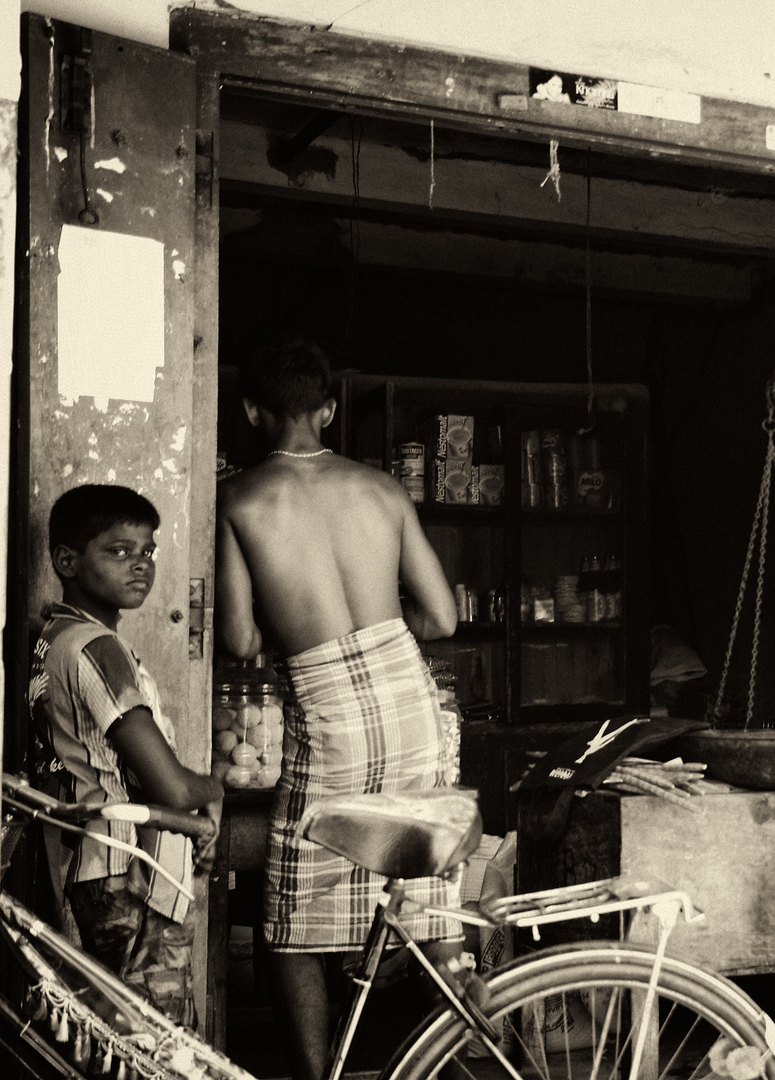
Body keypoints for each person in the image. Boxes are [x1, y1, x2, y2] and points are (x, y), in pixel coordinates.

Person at [216, 340, 462, 1080]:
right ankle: (454, 1053)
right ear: (327, 410)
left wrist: (294, 632)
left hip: (326, 705)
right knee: (424, 876)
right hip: (409, 694)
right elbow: (444, 619)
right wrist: (379, 631)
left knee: (293, 909)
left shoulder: (239, 498)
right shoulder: (383, 489)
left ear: (252, 411)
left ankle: (319, 1074)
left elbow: (238, 637)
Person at [29, 484, 225, 1025]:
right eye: (118, 551)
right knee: (150, 1033)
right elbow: (173, 789)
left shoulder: (51, 637)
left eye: (147, 551)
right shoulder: (95, 646)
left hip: (92, 862)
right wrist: (215, 791)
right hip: (130, 866)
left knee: (113, 1027)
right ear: (67, 561)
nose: (140, 565)